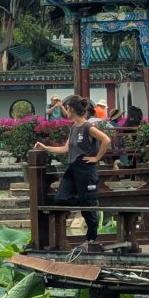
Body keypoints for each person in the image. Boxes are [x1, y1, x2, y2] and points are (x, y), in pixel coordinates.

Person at [34, 95, 111, 246]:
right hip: (72, 168)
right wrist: (45, 147)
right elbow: (65, 148)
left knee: (87, 211)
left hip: (86, 170)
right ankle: (86, 200)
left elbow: (106, 140)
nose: (66, 110)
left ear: (73, 110)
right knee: (60, 198)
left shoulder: (88, 127)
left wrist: (96, 158)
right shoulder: (73, 128)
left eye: (67, 108)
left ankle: (90, 238)